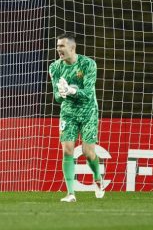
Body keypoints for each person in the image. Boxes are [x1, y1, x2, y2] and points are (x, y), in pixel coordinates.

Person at [48, 33, 103, 202]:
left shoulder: (88, 64)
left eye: (62, 46)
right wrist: (62, 94)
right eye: (57, 46)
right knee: (67, 150)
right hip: (68, 113)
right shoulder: (55, 67)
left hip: (88, 112)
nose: (58, 50)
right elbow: (56, 97)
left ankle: (98, 178)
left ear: (72, 47)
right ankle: (71, 193)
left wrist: (71, 90)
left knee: (88, 153)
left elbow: (87, 94)